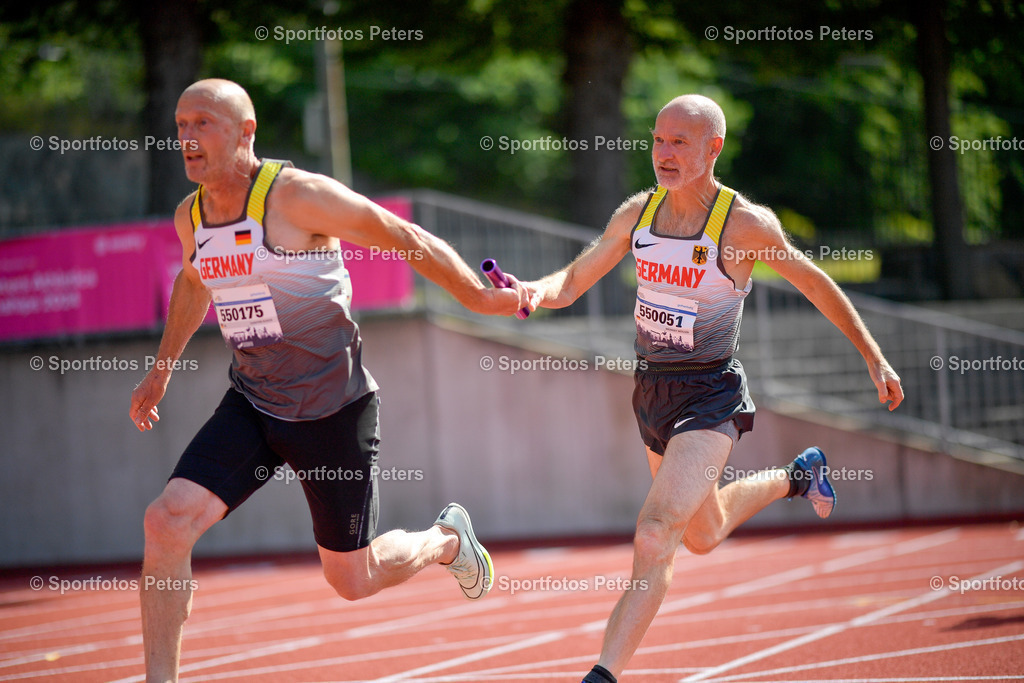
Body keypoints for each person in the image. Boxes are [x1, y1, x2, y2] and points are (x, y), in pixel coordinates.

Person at [129, 79, 530, 683]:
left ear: (246, 132)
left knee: (352, 579)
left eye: (203, 123)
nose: (186, 137)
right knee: (165, 522)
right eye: (181, 123)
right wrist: (160, 372)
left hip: (332, 410)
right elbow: (193, 282)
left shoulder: (298, 196)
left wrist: (476, 295)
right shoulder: (191, 216)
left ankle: (447, 540)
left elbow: (403, 237)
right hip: (255, 404)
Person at [522, 94, 904, 683]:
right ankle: (798, 476)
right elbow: (571, 283)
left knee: (655, 535)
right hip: (651, 392)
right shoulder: (638, 214)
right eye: (658, 140)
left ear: (713, 148)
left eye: (680, 142)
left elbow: (815, 282)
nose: (664, 153)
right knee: (702, 531)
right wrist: (531, 292)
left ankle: (602, 675)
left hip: (711, 397)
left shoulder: (744, 224)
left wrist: (875, 357)